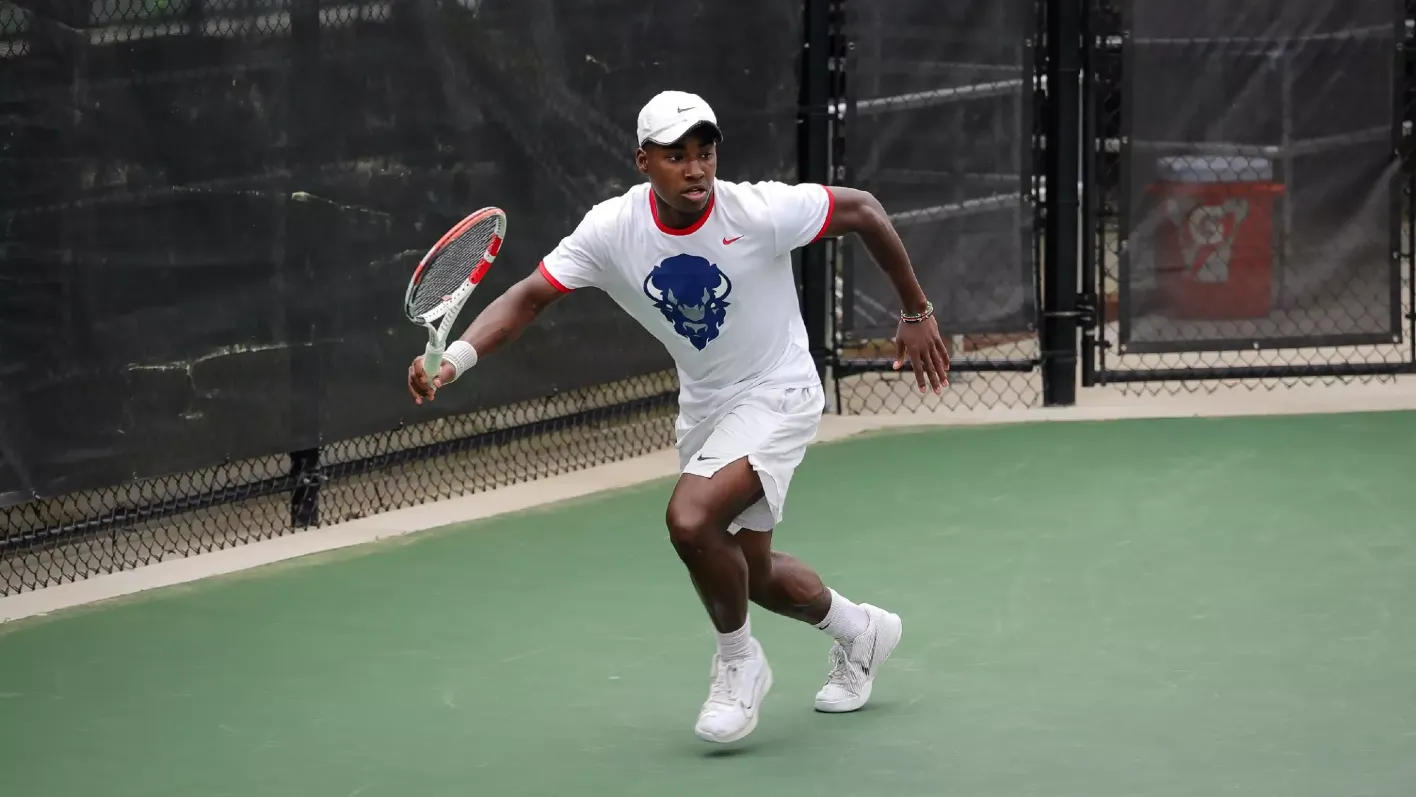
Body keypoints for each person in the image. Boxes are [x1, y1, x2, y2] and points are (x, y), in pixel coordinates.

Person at [407, 90, 950, 744]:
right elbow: (529, 297)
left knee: (690, 519)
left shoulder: (756, 210)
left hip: (779, 389)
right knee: (751, 573)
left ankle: (738, 664)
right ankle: (862, 631)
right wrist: (455, 360)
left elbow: (862, 209)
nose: (696, 168)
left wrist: (916, 311)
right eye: (676, 155)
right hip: (708, 404)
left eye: (705, 152)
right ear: (644, 161)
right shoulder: (612, 230)